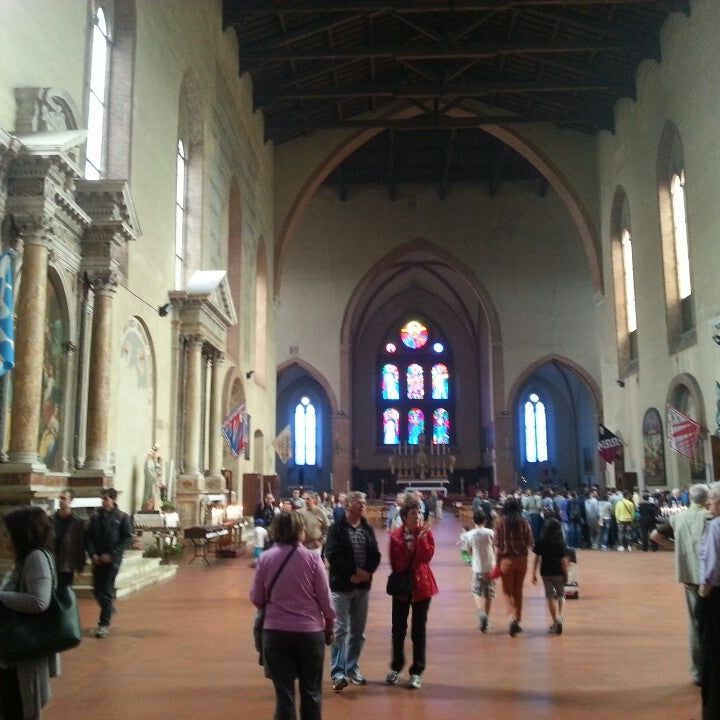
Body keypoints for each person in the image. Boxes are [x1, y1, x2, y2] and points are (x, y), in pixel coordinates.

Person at [250, 511, 335, 720]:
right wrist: (330, 624)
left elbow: (256, 598)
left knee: (284, 694)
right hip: (310, 633)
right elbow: (325, 598)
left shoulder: (265, 558)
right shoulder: (313, 558)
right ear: (299, 531)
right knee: (311, 692)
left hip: (276, 633)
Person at [0, 506, 59, 720]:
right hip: (17, 649)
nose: (4, 538)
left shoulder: (36, 558)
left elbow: (39, 601)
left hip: (27, 648)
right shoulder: (26, 558)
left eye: (7, 533)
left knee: (24, 708)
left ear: (21, 534)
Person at [651, 482, 711, 686]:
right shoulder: (711, 517)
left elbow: (655, 535)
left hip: (689, 576)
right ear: (708, 499)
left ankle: (698, 673)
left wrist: (677, 548)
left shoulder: (678, 517)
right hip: (711, 577)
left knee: (695, 624)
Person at [324, 491, 381, 692]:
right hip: (342, 586)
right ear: (348, 505)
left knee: (358, 631)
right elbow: (332, 554)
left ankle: (352, 667)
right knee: (340, 630)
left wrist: (367, 573)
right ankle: (338, 672)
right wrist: (353, 572)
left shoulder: (367, 528)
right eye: (360, 502)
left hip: (362, 587)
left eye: (364, 502)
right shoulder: (336, 528)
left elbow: (375, 553)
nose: (363, 505)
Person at [386, 498, 438, 690]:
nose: (417, 517)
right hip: (401, 587)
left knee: (419, 631)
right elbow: (395, 562)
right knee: (398, 630)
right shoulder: (395, 537)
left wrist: (421, 538)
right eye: (412, 514)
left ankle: (416, 671)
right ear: (404, 517)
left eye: (418, 513)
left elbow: (427, 557)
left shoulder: (426, 533)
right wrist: (408, 565)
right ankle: (396, 667)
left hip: (421, 586)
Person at [85, 488, 133, 638]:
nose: (103, 501)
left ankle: (103, 625)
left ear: (113, 500)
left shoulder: (122, 517)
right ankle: (109, 607)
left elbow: (127, 539)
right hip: (98, 559)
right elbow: (88, 537)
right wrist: (92, 554)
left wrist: (112, 554)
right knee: (96, 589)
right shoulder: (95, 517)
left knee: (106, 590)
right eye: (102, 499)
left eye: (106, 499)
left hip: (112, 561)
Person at [494, 496, 534, 637]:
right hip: (522, 560)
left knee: (506, 591)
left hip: (506, 560)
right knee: (518, 591)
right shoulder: (524, 522)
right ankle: (517, 620)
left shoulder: (500, 523)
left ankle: (510, 617)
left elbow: (498, 546)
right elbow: (530, 542)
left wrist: (497, 563)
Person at [697, 481, 720, 720]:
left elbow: (711, 570)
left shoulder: (715, 527)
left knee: (713, 655)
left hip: (715, 598)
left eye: (712, 499)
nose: (708, 503)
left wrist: (703, 597)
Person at [531, 517, 568, 634]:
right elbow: (563, 561)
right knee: (561, 595)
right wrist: (565, 574)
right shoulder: (561, 542)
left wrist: (533, 573)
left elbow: (536, 558)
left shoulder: (540, 540)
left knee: (550, 597)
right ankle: (560, 616)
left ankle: (554, 622)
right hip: (558, 572)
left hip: (545, 572)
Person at [463, 508, 495, 632]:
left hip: (477, 567)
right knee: (489, 593)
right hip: (490, 567)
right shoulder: (490, 532)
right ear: (485, 520)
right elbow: (493, 546)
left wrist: (474, 557)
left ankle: (480, 612)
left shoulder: (469, 534)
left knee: (476, 591)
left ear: (473, 520)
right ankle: (486, 620)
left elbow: (469, 550)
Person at [53, 490, 86, 587]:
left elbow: (80, 545)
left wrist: (80, 566)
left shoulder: (78, 522)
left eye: (64, 498)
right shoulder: (51, 519)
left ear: (70, 501)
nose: (60, 500)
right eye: (60, 498)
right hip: (53, 562)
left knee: (65, 591)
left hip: (67, 564)